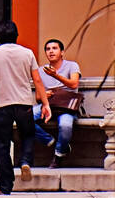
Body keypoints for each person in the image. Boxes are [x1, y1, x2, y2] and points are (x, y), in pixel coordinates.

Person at [0, 20, 52, 195]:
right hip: (24, 104)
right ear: (16, 36)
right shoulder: (27, 53)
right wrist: (45, 104)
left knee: (2, 145)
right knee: (28, 135)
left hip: (2, 105)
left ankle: (4, 185)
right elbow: (37, 80)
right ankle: (25, 160)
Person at [34, 38, 81, 167]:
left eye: (55, 48)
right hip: (48, 105)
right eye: (48, 49)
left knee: (65, 125)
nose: (51, 51)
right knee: (25, 118)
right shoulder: (40, 70)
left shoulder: (72, 65)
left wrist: (56, 76)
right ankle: (53, 142)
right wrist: (45, 95)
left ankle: (59, 155)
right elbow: (38, 97)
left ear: (62, 52)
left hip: (66, 106)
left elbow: (74, 84)